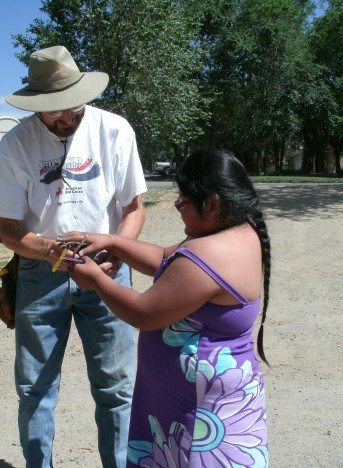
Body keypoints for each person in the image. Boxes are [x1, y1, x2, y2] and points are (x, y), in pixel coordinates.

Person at [0, 45, 147, 468]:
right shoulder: (16, 144)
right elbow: (10, 230)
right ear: (36, 104)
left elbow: (133, 208)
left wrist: (118, 252)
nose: (64, 116)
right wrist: (49, 249)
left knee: (117, 387)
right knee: (35, 388)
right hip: (41, 274)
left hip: (106, 269)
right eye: (53, 110)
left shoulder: (115, 131)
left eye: (71, 105)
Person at [61, 148, 271, 467]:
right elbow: (164, 258)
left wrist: (96, 282)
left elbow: (145, 313)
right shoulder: (237, 231)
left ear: (212, 203)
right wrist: (113, 241)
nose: (177, 207)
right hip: (203, 403)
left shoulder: (211, 254)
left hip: (199, 415)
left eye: (183, 200)